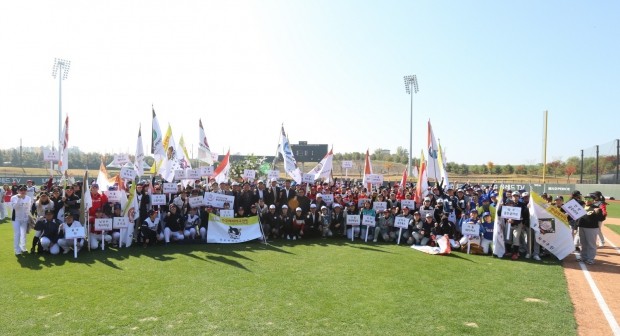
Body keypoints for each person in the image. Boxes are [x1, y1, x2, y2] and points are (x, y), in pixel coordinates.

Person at [577, 194, 605, 265]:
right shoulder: (582, 207)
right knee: (583, 243)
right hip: (581, 227)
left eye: (589, 199)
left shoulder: (596, 208)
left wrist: (599, 213)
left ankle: (590, 259)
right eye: (586, 199)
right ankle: (583, 257)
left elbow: (602, 218)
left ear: (593, 200)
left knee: (591, 244)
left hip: (591, 228)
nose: (587, 200)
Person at [10, 185, 33, 255]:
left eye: (24, 190)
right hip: (16, 218)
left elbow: (28, 208)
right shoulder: (14, 197)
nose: (23, 191)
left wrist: (29, 217)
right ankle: (17, 249)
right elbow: (14, 207)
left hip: (25, 219)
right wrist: (19, 199)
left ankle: (23, 247)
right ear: (18, 191)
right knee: (17, 234)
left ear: (26, 191)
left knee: (23, 234)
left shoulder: (28, 198)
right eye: (21, 190)